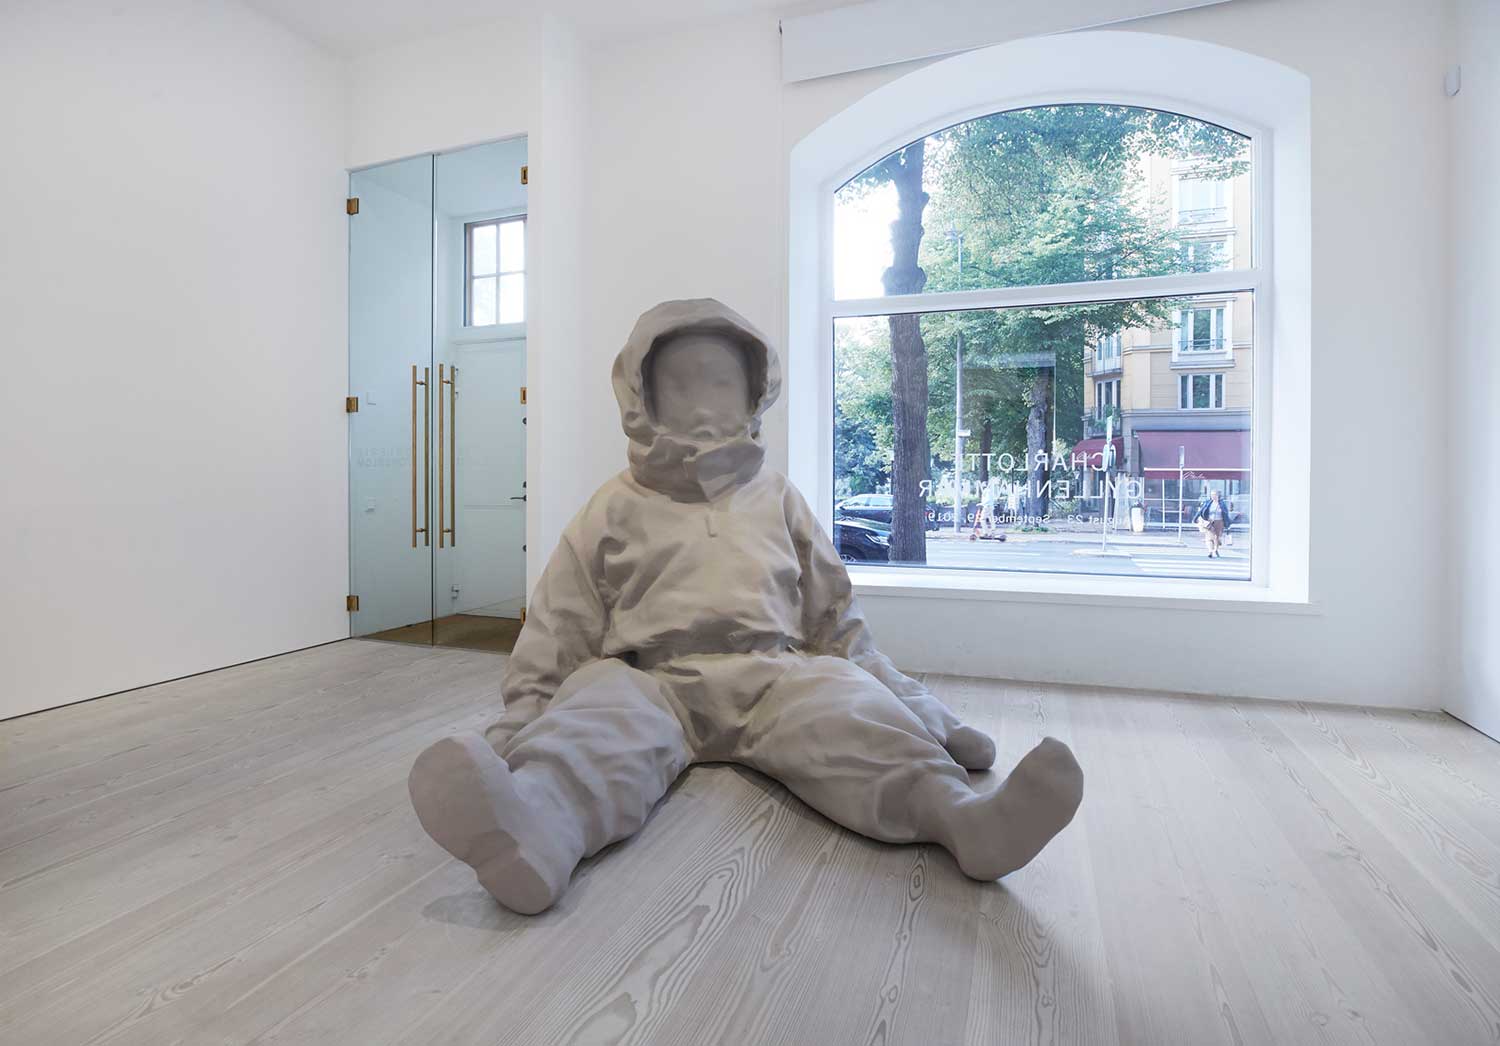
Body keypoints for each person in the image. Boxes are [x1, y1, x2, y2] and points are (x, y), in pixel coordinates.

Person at [406, 299, 1085, 914]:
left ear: (755, 394)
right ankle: (539, 831)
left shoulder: (777, 497)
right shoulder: (612, 507)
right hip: (654, 680)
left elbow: (837, 622)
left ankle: (962, 818)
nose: (703, 403)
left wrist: (930, 715)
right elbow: (559, 625)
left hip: (775, 674)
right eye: (681, 385)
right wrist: (519, 723)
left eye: (722, 384)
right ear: (641, 399)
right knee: (595, 728)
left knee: (850, 713)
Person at [1195, 488, 1228, 557]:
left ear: (1218, 495)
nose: (1213, 496)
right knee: (1209, 537)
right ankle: (1210, 551)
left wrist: (1227, 523)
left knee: (1216, 537)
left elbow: (1226, 513)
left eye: (1215, 495)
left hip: (1219, 521)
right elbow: (1201, 511)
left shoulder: (1222, 504)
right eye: (1212, 495)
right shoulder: (1208, 503)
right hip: (1209, 522)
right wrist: (1195, 518)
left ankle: (1215, 549)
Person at [970, 474, 999, 540]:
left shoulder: (987, 491)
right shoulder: (989, 491)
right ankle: (993, 532)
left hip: (987, 506)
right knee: (991, 519)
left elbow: (987, 500)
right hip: (990, 506)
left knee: (982, 519)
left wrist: (981, 504)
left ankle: (986, 532)